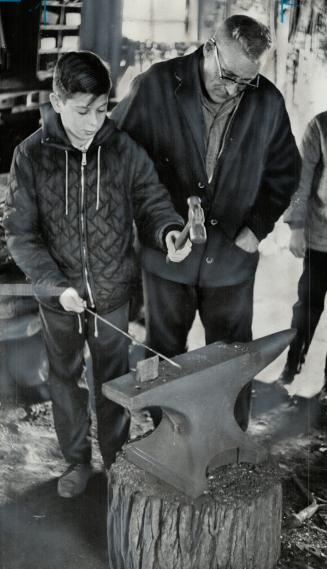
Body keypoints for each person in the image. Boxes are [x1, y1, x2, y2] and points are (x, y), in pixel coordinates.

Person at [3, 51, 191, 498]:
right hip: (59, 299)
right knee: (64, 378)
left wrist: (167, 232)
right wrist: (55, 286)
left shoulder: (123, 150)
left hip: (111, 292)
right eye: (82, 111)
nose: (92, 122)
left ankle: (116, 460)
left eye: (101, 109)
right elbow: (20, 234)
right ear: (57, 101)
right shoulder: (29, 157)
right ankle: (75, 462)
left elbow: (151, 200)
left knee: (113, 380)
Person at [111, 15, 301, 429]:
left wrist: (256, 227)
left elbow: (286, 172)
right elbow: (116, 157)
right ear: (208, 47)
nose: (234, 89)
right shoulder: (156, 85)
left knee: (232, 362)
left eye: (245, 82)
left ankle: (229, 448)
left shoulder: (266, 102)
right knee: (162, 354)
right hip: (166, 257)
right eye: (228, 76)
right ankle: (164, 440)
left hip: (232, 261)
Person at [279, 112, 327, 402]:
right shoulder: (320, 126)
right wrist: (296, 227)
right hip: (321, 238)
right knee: (308, 304)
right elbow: (301, 180)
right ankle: (290, 368)